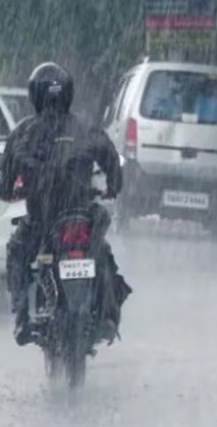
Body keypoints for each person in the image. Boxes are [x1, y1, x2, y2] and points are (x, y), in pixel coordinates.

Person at [0, 62, 132, 345]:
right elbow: (112, 162)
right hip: (81, 215)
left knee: (17, 254)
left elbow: (5, 182)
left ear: (35, 94)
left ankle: (23, 318)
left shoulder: (23, 132)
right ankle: (108, 315)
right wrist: (112, 187)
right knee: (103, 255)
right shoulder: (86, 127)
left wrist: (10, 190)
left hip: (43, 218)